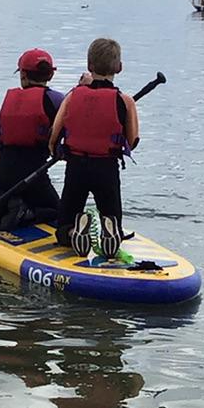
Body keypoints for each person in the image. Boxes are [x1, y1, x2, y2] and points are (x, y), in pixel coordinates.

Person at [49, 37, 139, 259]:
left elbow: (54, 135)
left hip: (76, 167)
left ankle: (73, 232)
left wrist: (55, 149)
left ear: (89, 66)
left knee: (63, 224)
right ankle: (112, 231)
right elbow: (132, 140)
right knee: (111, 215)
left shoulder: (73, 96)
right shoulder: (125, 101)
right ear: (119, 67)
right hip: (107, 168)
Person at [0, 49, 64, 233]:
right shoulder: (56, 99)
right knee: (58, 211)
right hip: (33, 176)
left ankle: (0, 203)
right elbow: (68, 132)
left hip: (3, 174)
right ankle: (26, 213)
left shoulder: (11, 99)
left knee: (8, 191)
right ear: (50, 75)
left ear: (23, 74)